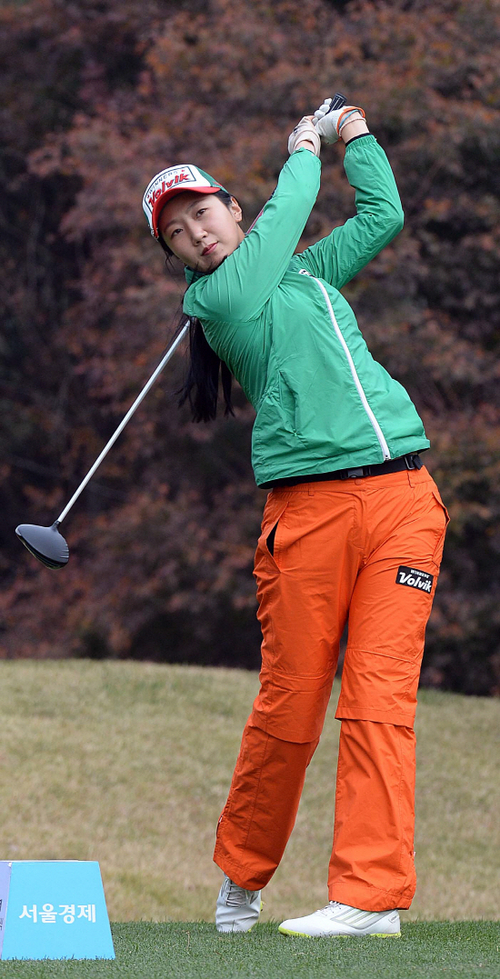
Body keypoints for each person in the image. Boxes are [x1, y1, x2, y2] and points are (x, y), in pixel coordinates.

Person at [142, 100, 449, 938]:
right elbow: (285, 218)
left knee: (380, 699)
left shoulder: (309, 274)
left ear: (231, 207)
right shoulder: (218, 299)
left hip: (404, 502)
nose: (197, 235)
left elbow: (382, 215)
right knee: (292, 704)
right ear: (178, 261)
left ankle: (370, 897)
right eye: (178, 234)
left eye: (202, 214)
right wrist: (304, 149)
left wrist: (356, 132)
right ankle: (242, 877)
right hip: (309, 514)